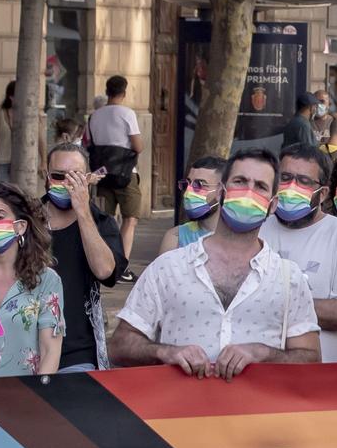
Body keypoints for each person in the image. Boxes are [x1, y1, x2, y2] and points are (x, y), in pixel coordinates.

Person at [109, 149, 321, 377]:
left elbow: (311, 358)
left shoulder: (288, 278)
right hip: (183, 409)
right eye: (240, 181)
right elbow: (119, 345)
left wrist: (265, 354)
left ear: (272, 205)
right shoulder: (168, 268)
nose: (248, 193)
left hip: (258, 411)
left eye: (260, 186)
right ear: (221, 192)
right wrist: (165, 353)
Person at [259, 144, 337, 362]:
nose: (291, 187)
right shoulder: (257, 229)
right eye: (285, 178)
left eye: (304, 181)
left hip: (326, 383)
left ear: (323, 193)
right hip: (263, 382)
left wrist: (269, 302)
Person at [42, 140, 129, 371]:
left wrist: (82, 211)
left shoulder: (102, 222)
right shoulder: (27, 220)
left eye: (76, 177)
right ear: (46, 175)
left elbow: (105, 272)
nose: (67, 184)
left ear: (88, 179)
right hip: (27, 347)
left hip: (77, 352)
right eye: (59, 176)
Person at [0, 182, 65, 378]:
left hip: (23, 397)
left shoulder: (45, 280)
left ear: (20, 226)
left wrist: (39, 398)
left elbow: (50, 351)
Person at [85, 75, 145, 261]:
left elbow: (90, 143)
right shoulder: (127, 113)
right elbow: (138, 146)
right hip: (125, 174)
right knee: (130, 218)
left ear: (107, 91)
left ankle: (105, 259)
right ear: (124, 92)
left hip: (102, 174)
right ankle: (122, 263)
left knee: (106, 218)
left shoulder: (94, 116)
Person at [158, 154, 225, 255]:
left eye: (200, 185)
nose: (188, 193)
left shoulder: (242, 239)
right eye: (188, 183)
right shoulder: (175, 237)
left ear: (221, 191)